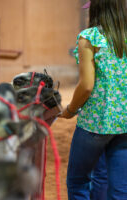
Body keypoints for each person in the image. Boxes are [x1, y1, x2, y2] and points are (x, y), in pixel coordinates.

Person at [59, 0, 127, 199]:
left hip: (95, 123)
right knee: (120, 189)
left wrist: (71, 110)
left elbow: (87, 85)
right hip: (124, 123)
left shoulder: (90, 37)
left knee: (78, 181)